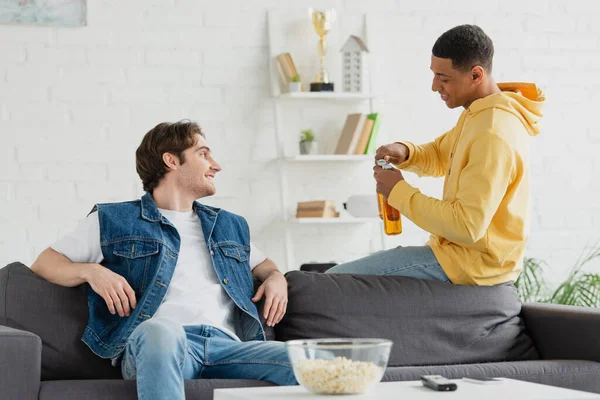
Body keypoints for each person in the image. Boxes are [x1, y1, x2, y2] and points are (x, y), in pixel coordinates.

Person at [30, 120, 297, 400]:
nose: (216, 165)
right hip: (161, 344)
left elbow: (264, 265)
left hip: (228, 348)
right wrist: (91, 272)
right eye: (203, 154)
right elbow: (44, 263)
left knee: (311, 360)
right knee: (161, 332)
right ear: (171, 160)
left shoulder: (228, 225)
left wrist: (276, 277)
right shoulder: (114, 220)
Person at [327, 25, 545, 286]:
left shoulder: (493, 131)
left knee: (332, 282)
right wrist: (406, 152)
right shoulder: (479, 114)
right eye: (434, 75)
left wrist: (397, 191)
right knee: (332, 279)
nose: (434, 86)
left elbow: (467, 226)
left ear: (476, 74)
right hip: (456, 256)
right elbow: (441, 154)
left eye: (444, 78)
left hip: (474, 266)